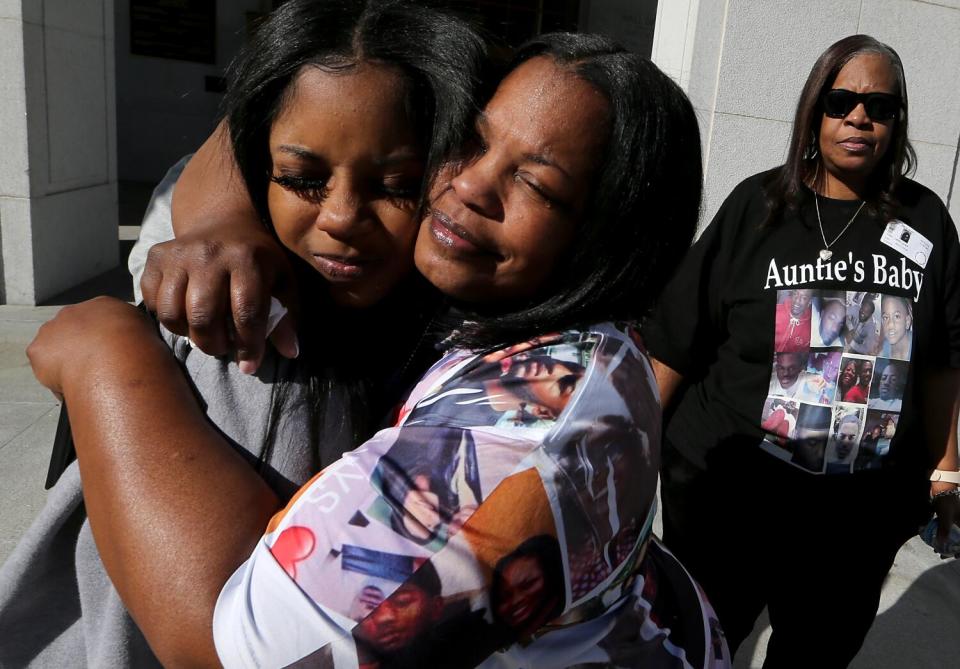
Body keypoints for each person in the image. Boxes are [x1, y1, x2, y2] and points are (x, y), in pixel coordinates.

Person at [25, 33, 729, 669]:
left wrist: (108, 358)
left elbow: (227, 648)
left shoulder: (518, 442)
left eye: (536, 184)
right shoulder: (519, 311)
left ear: (607, 246)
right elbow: (278, 110)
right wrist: (220, 227)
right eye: (475, 141)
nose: (472, 185)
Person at [0, 1, 484, 666]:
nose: (342, 215)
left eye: (397, 185)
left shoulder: (445, 344)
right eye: (303, 179)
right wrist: (108, 351)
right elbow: (216, 637)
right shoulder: (252, 347)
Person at [646, 34, 960, 666]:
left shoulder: (926, 221)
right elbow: (677, 339)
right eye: (841, 100)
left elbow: (942, 359)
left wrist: (946, 468)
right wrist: (628, 443)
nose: (859, 117)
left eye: (880, 105)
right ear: (813, 109)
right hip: (731, 497)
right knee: (696, 647)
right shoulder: (757, 208)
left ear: (897, 121)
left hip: (854, 516)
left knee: (816, 654)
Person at [880, 294, 914, 360]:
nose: (890, 325)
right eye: (885, 317)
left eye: (897, 316)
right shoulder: (882, 349)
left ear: (907, 321)